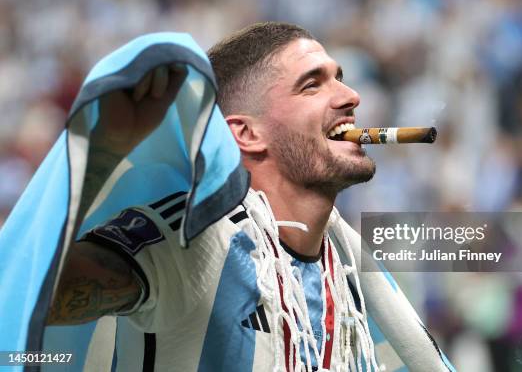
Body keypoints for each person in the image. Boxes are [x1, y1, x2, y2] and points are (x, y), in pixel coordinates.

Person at [45, 22, 451, 372]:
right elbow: (29, 294)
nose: (350, 97)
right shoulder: (188, 242)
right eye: (312, 85)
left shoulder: (345, 265)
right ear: (247, 134)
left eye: (339, 77)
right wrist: (100, 154)